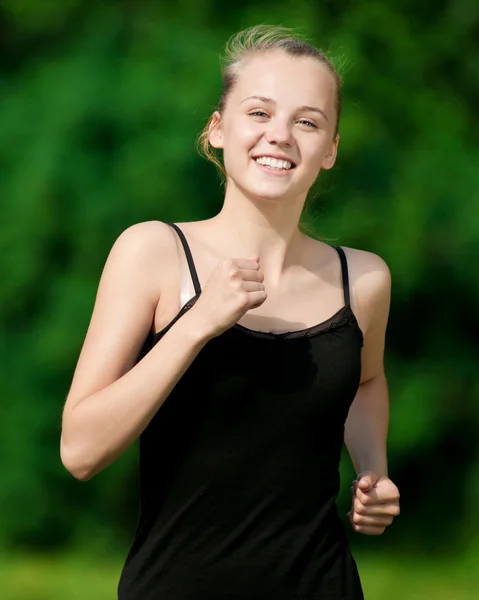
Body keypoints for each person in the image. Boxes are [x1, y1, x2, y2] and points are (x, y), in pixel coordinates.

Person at [60, 25, 400, 600]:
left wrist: (373, 468)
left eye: (307, 121)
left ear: (332, 148)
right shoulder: (154, 254)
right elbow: (81, 451)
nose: (281, 136)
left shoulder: (362, 280)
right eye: (259, 112)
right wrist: (196, 323)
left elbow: (366, 381)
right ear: (218, 129)